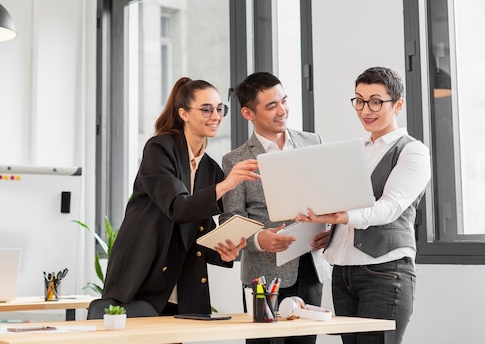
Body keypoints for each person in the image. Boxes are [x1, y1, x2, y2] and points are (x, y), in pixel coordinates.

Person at [103, 77, 260, 316]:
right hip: (142, 277)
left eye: (220, 109)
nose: (216, 116)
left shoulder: (211, 169)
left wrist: (221, 251)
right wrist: (227, 184)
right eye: (206, 109)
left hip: (183, 284)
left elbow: (197, 233)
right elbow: (177, 207)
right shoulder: (159, 149)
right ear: (183, 114)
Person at [297, 67, 431, 344]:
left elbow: (389, 207)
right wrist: (328, 224)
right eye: (359, 100)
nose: (365, 109)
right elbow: (338, 201)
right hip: (342, 271)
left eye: (376, 101)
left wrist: (343, 216)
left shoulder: (411, 151)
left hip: (384, 272)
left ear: (398, 104)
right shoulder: (355, 149)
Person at [220, 72, 331, 344]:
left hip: (310, 268)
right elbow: (231, 218)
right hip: (263, 275)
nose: (282, 111)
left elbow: (330, 198)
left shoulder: (312, 142)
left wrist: (330, 230)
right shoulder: (236, 159)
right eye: (271, 106)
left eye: (284, 101)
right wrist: (258, 239)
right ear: (248, 113)